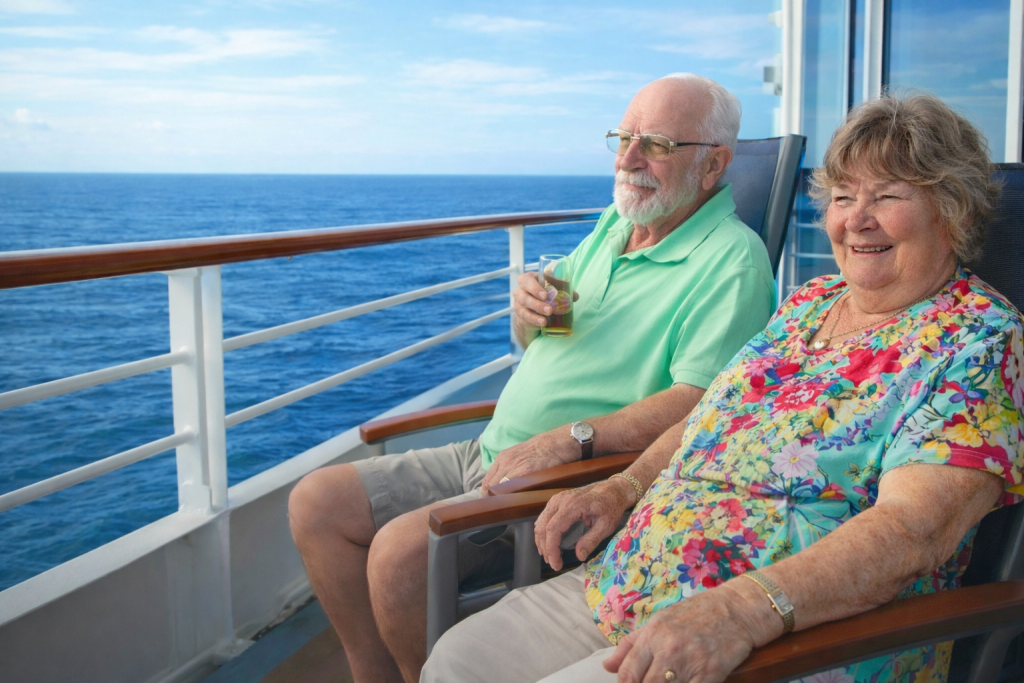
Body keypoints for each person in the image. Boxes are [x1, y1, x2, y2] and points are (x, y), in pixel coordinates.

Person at [422, 92, 1024, 683]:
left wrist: (741, 611)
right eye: (842, 197)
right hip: (635, 575)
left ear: (954, 212)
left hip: (786, 633)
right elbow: (711, 415)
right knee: (459, 659)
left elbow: (914, 530)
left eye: (887, 197)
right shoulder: (810, 303)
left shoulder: (978, 342)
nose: (855, 220)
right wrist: (621, 486)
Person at [287, 73, 777, 683]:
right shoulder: (615, 227)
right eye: (623, 138)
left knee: (397, 555)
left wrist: (567, 441)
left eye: (654, 143)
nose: (628, 158)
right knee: (316, 502)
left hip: (563, 480)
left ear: (714, 165)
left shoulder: (733, 262)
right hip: (493, 450)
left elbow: (700, 404)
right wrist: (527, 316)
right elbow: (553, 332)